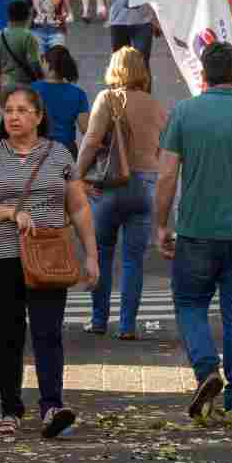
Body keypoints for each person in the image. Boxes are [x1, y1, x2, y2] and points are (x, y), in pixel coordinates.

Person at [154, 42, 232, 419]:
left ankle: (206, 369)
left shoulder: (183, 113)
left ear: (203, 74)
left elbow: (165, 176)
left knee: (191, 303)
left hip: (196, 231)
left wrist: (161, 225)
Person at [0, 85, 98, 438]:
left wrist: (92, 256)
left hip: (49, 256)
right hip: (3, 258)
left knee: (48, 332)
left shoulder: (60, 155)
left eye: (23, 110)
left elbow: (79, 207)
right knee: (8, 333)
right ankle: (11, 409)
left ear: (38, 117)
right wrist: (9, 212)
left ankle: (52, 405)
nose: (14, 116)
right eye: (9, 110)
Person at [76, 47, 168, 339]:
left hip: (110, 186)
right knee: (133, 260)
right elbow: (162, 150)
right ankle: (127, 325)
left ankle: (99, 320)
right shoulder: (156, 105)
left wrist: (76, 177)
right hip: (145, 185)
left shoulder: (108, 98)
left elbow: (91, 141)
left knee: (101, 252)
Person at [33, 45, 89, 158]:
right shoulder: (78, 93)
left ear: (47, 64)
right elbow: (85, 129)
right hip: (66, 150)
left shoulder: (32, 89)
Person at [0, 0, 42, 90]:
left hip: (6, 85)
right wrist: (42, 79)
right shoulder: (28, 36)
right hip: (24, 86)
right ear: (27, 16)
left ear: (8, 16)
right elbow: (35, 64)